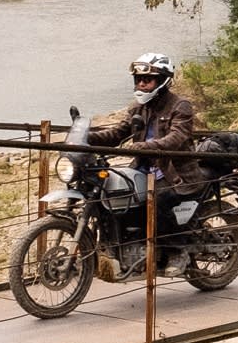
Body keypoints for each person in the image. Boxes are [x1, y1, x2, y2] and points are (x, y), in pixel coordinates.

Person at [86, 53, 205, 243]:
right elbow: (117, 134)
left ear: (162, 81)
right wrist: (87, 137)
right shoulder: (138, 108)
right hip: (143, 169)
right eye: (138, 79)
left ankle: (174, 250)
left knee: (159, 201)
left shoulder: (180, 106)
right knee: (113, 195)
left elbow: (175, 138)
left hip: (175, 174)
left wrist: (145, 146)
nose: (141, 84)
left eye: (147, 80)